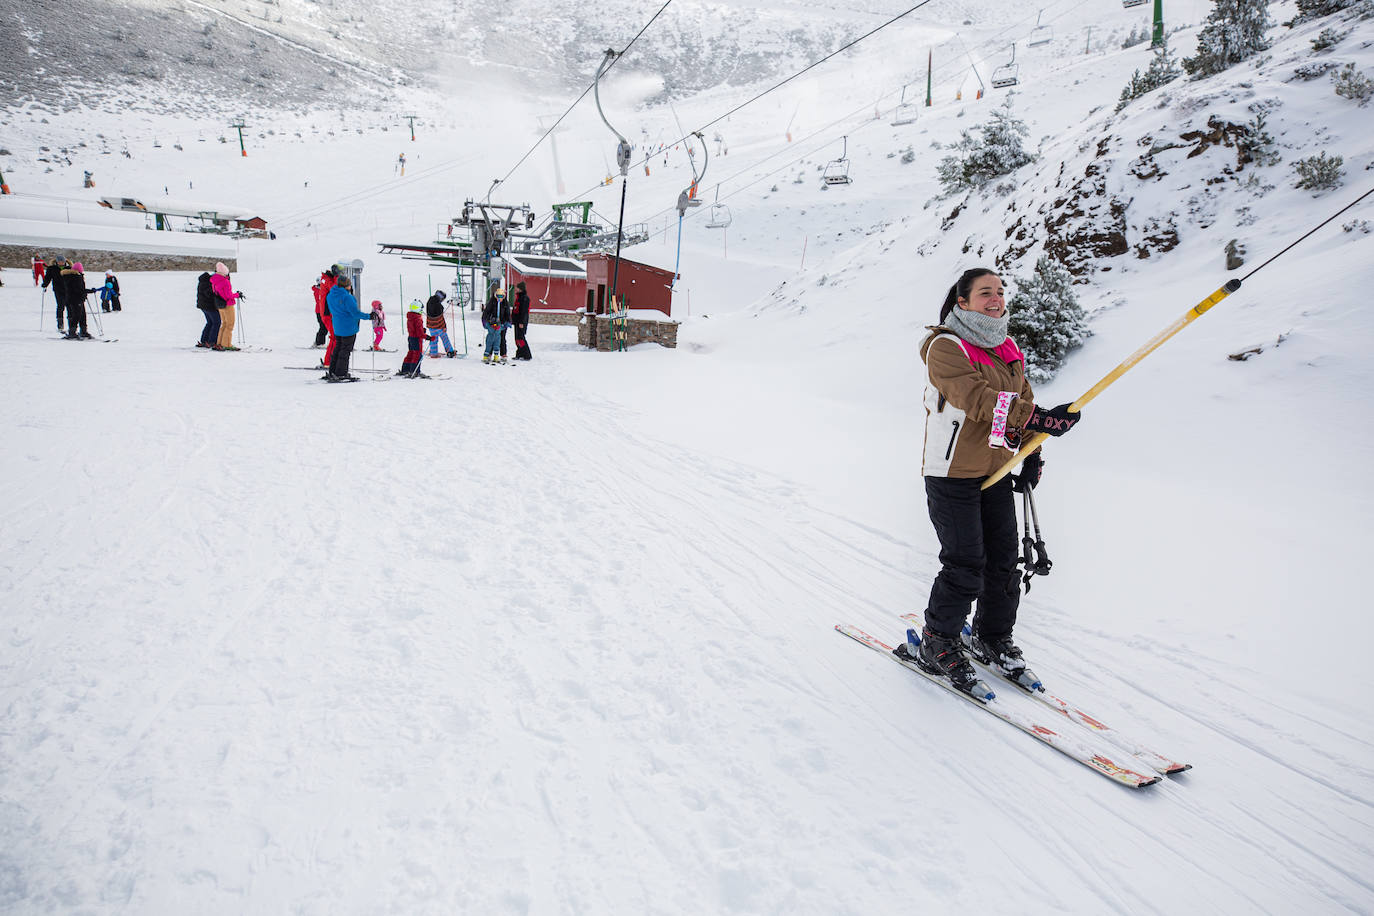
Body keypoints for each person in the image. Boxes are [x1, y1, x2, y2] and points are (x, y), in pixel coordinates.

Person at [900, 267, 1082, 697]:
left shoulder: (1007, 346)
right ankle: (938, 642)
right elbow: (979, 400)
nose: (996, 298)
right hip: (951, 473)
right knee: (965, 564)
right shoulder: (944, 346)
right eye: (985, 292)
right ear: (963, 301)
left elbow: (1024, 405)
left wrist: (1032, 449)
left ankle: (991, 636)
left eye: (1000, 291)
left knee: (1003, 564)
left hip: (995, 470)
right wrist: (1036, 418)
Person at [324, 273, 373, 381]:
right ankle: (341, 373)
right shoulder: (347, 297)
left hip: (337, 325)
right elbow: (355, 313)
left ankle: (333, 370)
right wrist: (369, 316)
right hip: (348, 327)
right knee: (345, 351)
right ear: (346, 286)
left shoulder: (331, 294)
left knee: (337, 349)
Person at [396, 299, 434, 378]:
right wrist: (429, 338)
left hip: (411, 338)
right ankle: (414, 371)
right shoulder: (417, 319)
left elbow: (414, 329)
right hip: (416, 339)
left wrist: (422, 330)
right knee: (417, 355)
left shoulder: (411, 317)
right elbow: (419, 334)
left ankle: (405, 369)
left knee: (411, 353)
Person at [58, 261, 94, 339]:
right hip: (75, 299)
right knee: (77, 315)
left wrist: (85, 292)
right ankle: (72, 332)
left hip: (78, 299)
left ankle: (83, 331)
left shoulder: (77, 276)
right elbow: (78, 289)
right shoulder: (74, 277)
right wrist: (88, 291)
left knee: (82, 315)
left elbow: (80, 289)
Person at [211, 262, 242, 351]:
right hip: (228, 305)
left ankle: (220, 343)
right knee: (229, 325)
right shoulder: (225, 281)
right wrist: (237, 295)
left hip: (220, 305)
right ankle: (226, 344)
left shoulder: (214, 281)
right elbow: (228, 296)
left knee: (224, 324)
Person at [481, 288, 511, 364]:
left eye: (501, 296)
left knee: (502, 338)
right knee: (491, 338)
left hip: (502, 323)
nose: (499, 298)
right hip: (492, 323)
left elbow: (507, 314)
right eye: (498, 296)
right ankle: (489, 354)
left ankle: (503, 355)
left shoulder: (505, 303)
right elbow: (486, 312)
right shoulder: (492, 302)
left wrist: (508, 322)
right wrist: (485, 321)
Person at [425, 289, 456, 357]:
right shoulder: (439, 306)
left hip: (430, 325)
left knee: (433, 338)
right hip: (439, 326)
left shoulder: (429, 301)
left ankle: (433, 353)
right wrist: (444, 327)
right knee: (444, 338)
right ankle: (450, 351)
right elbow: (440, 318)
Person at [195, 269, 222, 347]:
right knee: (216, 323)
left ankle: (204, 340)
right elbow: (209, 293)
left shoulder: (203, 281)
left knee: (210, 322)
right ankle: (211, 341)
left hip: (204, 306)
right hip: (209, 306)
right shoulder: (208, 283)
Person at [42, 257, 68, 333]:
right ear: (57, 262)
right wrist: (45, 285)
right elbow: (48, 278)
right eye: (59, 262)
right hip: (58, 290)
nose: (61, 263)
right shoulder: (52, 269)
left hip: (68, 290)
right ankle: (60, 325)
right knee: (60, 306)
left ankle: (71, 326)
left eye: (62, 262)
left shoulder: (68, 268)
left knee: (69, 306)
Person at [512, 281, 532, 361]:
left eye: (517, 287)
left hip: (521, 322)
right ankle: (519, 353)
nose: (515, 289)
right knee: (517, 338)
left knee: (521, 338)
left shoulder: (525, 298)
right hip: (517, 321)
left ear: (520, 289)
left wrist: (521, 322)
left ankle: (527, 354)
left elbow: (524, 311)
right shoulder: (519, 297)